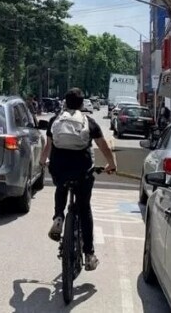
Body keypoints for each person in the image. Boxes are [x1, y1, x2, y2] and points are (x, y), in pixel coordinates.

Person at [39, 88, 117, 271]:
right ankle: (89, 254)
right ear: (82, 104)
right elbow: (103, 146)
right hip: (82, 170)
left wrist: (42, 162)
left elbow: (48, 147)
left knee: (61, 185)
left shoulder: (55, 121)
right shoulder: (88, 122)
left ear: (65, 102)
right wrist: (111, 164)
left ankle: (58, 217)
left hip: (60, 167)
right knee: (84, 209)